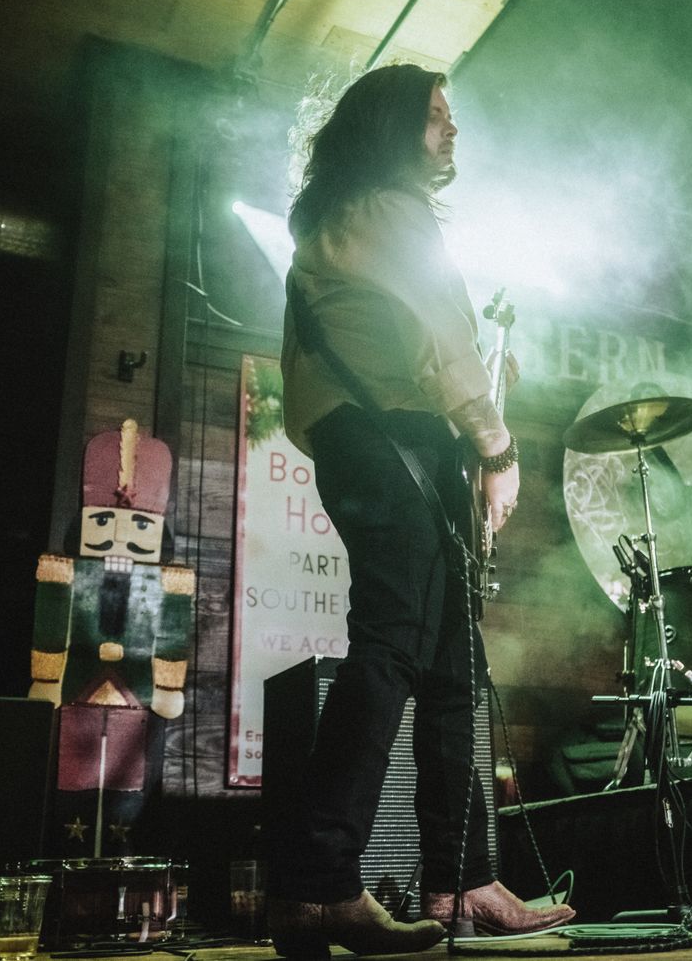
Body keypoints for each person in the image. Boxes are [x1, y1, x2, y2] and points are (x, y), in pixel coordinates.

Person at [269, 63, 575, 957]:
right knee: (393, 647)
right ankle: (318, 884)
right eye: (437, 115)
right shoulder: (384, 211)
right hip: (391, 441)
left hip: (387, 444)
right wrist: (498, 448)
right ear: (391, 125)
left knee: (449, 670)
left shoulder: (345, 218)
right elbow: (443, 343)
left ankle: (461, 879)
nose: (452, 129)